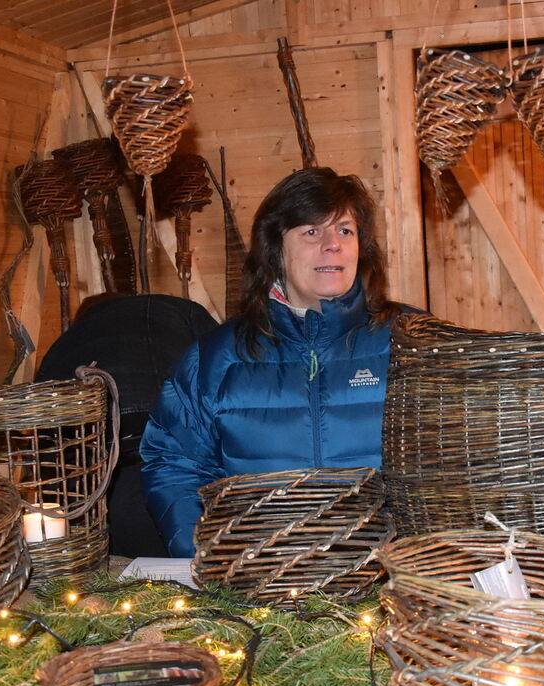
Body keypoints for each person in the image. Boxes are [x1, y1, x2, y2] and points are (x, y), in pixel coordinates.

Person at [140, 167, 402, 557]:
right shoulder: (216, 358)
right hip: (261, 594)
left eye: (345, 230)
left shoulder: (412, 342)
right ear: (276, 250)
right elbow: (174, 463)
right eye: (311, 231)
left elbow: (463, 456)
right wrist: (207, 560)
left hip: (390, 585)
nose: (333, 245)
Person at [35, 293, 217, 557]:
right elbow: (228, 367)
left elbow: (45, 433)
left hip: (94, 464)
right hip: (170, 443)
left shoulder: (64, 343)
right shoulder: (175, 310)